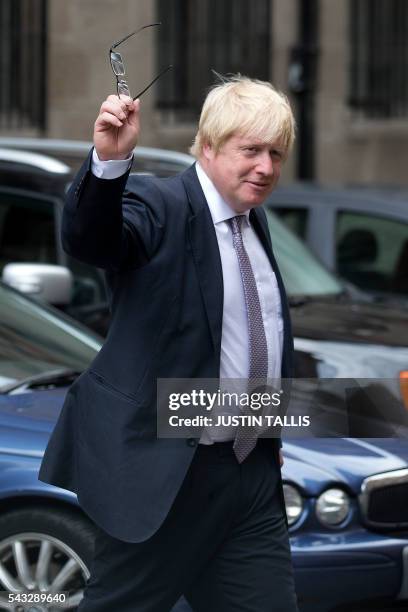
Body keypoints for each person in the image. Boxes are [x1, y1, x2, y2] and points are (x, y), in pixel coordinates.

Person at [39, 74, 299, 611]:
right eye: (251, 150)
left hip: (248, 476)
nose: (267, 167)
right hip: (169, 474)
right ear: (207, 145)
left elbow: (255, 338)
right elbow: (94, 239)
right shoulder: (159, 202)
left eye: (276, 153)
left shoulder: (254, 221)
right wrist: (109, 165)